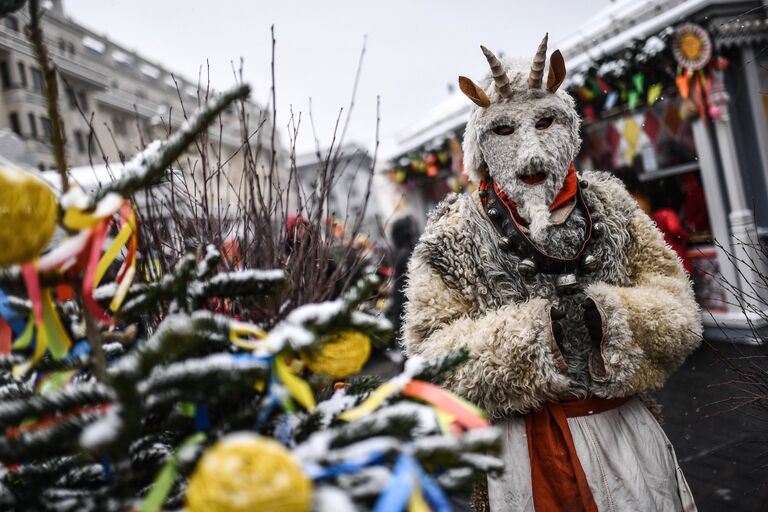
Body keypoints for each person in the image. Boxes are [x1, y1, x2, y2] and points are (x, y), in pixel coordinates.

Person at [402, 34, 701, 511]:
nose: (532, 153)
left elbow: (678, 307)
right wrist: (531, 339)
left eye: (546, 123)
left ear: (570, 129)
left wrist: (615, 318)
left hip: (626, 441)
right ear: (481, 143)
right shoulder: (450, 235)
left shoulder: (612, 206)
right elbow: (428, 359)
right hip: (523, 456)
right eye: (504, 130)